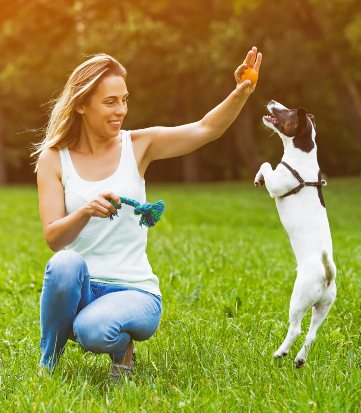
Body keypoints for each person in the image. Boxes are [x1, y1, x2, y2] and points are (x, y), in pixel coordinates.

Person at [33, 47, 262, 379]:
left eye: (124, 100)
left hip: (134, 293)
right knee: (64, 263)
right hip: (84, 288)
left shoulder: (139, 146)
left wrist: (240, 94)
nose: (121, 110)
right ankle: (48, 365)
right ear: (81, 104)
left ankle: (122, 354)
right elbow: (54, 239)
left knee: (91, 330)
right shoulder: (54, 159)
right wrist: (85, 211)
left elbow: (204, 129)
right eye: (110, 102)